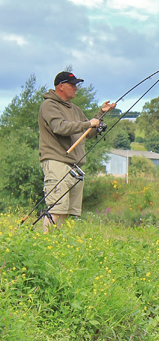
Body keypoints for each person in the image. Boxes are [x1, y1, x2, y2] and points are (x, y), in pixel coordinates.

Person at [38, 71, 115, 232]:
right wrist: (88, 124)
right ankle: (44, 244)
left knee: (65, 212)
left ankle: (56, 247)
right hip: (56, 162)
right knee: (56, 210)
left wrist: (102, 113)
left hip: (73, 166)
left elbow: (90, 131)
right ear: (61, 86)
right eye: (72, 85)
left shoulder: (74, 109)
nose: (76, 88)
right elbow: (59, 127)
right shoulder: (49, 106)